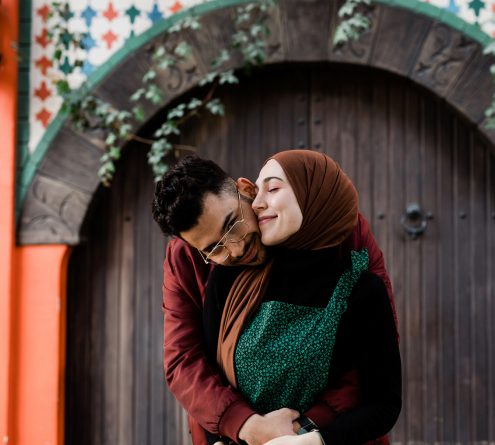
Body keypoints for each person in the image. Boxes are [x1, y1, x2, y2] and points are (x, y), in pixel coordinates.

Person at [151, 155, 399, 445]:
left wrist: (304, 431)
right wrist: (245, 426)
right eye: (215, 248)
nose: (237, 248)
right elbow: (185, 359)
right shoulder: (197, 265)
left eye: (233, 224)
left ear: (246, 191)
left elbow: (375, 353)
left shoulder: (337, 227)